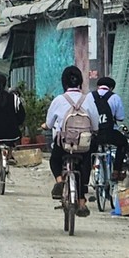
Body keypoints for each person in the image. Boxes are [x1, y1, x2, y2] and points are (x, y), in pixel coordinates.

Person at [45, 66, 100, 217]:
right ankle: (82, 202)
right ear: (80, 82)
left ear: (64, 82)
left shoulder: (58, 100)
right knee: (84, 166)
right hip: (83, 145)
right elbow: (95, 125)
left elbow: (49, 124)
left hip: (63, 144)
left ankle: (59, 180)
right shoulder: (88, 100)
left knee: (55, 160)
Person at [91, 76, 128, 180]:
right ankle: (116, 171)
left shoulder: (89, 96)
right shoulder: (115, 97)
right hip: (109, 134)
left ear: (98, 86)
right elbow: (120, 117)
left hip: (94, 135)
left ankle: (86, 175)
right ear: (111, 88)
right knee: (123, 143)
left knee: (87, 152)